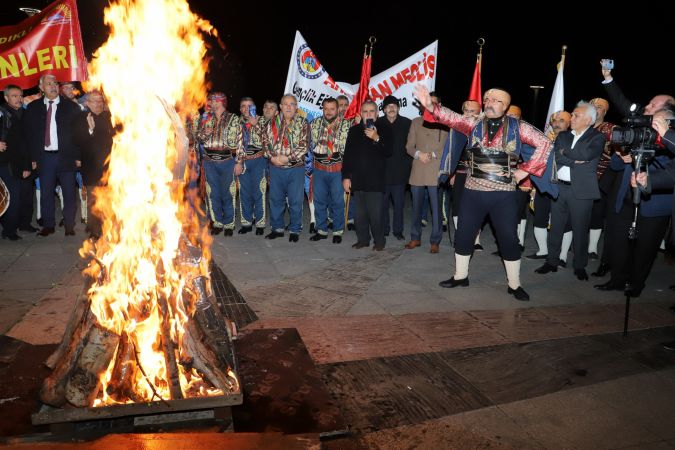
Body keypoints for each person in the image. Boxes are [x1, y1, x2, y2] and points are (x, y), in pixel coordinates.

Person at [414, 85, 553, 301]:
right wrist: (430, 105)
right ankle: (461, 276)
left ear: (505, 106)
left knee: (507, 238)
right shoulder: (474, 122)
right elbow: (449, 117)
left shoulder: (519, 127)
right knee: (463, 234)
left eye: (495, 99)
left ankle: (514, 285)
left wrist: (524, 171)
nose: (488, 102)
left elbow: (545, 143)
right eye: (487, 99)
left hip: (504, 194)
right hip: (473, 191)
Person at [534, 102, 606, 280]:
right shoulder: (563, 136)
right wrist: (572, 159)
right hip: (560, 187)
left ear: (588, 120)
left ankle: (580, 265)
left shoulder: (597, 138)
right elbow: (557, 156)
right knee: (556, 227)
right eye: (572, 115)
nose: (571, 118)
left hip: (581, 191)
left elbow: (586, 155)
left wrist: (567, 154)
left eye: (576, 115)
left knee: (580, 229)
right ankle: (551, 261)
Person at [23, 74, 81, 236]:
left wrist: (78, 157)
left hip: (66, 156)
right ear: (41, 87)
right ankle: (48, 225)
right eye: (49, 84)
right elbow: (29, 136)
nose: (53, 86)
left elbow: (78, 135)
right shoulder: (33, 108)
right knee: (46, 192)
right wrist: (33, 159)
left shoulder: (71, 107)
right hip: (45, 157)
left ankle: (69, 225)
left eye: (55, 83)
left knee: (69, 192)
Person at [342, 101, 393, 250]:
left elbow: (389, 151)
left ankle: (379, 241)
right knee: (360, 215)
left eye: (372, 111)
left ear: (377, 114)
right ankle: (363, 240)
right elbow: (348, 156)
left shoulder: (385, 129)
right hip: (358, 179)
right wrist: (346, 176)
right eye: (365, 111)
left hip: (376, 180)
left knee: (376, 215)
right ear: (361, 114)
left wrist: (376, 138)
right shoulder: (354, 130)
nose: (368, 114)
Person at [263, 94, 308, 242]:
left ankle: (295, 229)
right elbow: (265, 144)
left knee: (295, 200)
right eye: (285, 104)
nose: (289, 107)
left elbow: (304, 146)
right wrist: (272, 158)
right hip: (275, 168)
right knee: (275, 199)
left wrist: (287, 158)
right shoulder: (271, 124)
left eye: (292, 104)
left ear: (296, 107)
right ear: (280, 107)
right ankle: (277, 228)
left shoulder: (303, 123)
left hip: (296, 169)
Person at [405, 94, 447, 253]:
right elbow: (409, 146)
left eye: (434, 103)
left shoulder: (445, 123)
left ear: (439, 105)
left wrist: (434, 155)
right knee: (415, 207)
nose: (431, 105)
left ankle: (435, 240)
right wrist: (418, 154)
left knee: (436, 209)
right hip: (418, 170)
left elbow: (449, 147)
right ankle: (415, 238)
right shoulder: (416, 122)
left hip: (436, 171)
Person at [197, 92, 243, 236]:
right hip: (209, 161)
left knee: (228, 193)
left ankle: (229, 224)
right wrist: (205, 132)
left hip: (227, 161)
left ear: (221, 102)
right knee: (212, 193)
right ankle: (217, 222)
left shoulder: (233, 118)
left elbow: (241, 141)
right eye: (211, 101)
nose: (212, 103)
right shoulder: (207, 119)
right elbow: (199, 137)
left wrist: (239, 162)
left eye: (215, 101)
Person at [72, 91, 113, 239]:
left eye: (101, 101)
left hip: (111, 166)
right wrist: (90, 129)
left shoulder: (109, 117)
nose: (98, 103)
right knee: (94, 200)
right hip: (92, 167)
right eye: (94, 101)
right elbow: (77, 140)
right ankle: (94, 231)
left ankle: (110, 229)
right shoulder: (81, 118)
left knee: (110, 199)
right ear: (87, 103)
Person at [309, 97, 351, 243]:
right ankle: (321, 230)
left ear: (338, 109)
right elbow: (310, 146)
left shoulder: (346, 125)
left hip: (337, 168)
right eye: (325, 108)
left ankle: (338, 231)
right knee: (319, 200)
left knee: (337, 201)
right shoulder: (314, 124)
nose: (328, 112)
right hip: (319, 168)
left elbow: (350, 150)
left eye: (332, 109)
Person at [379, 95, 412, 241]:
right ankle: (384, 229)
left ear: (398, 108)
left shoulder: (407, 123)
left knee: (399, 204)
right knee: (383, 204)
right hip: (382, 172)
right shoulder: (377, 123)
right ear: (384, 109)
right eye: (388, 106)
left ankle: (398, 230)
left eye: (394, 106)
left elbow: (412, 146)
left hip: (400, 172)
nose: (391, 108)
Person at [0, 85, 31, 240]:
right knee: (11, 197)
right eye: (14, 96)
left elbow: (27, 141)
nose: (18, 98)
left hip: (20, 162)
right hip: (5, 162)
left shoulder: (24, 113)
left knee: (21, 196)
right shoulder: (1, 112)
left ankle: (18, 227)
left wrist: (29, 163)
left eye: (20, 95)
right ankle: (9, 230)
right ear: (6, 98)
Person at [237, 97, 268, 235]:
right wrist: (238, 162)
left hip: (259, 160)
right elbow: (234, 144)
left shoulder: (262, 120)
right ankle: (246, 223)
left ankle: (260, 223)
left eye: (249, 106)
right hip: (243, 160)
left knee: (259, 191)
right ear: (240, 109)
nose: (246, 108)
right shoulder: (237, 122)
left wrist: (255, 125)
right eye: (243, 106)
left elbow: (269, 141)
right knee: (244, 192)